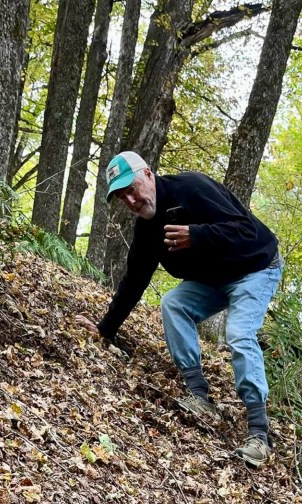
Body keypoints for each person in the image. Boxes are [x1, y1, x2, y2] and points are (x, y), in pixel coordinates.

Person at [76, 151, 283, 468]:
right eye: (122, 197)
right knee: (173, 303)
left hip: (256, 268)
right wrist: (105, 329)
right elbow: (134, 281)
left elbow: (247, 231)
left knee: (239, 333)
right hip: (214, 279)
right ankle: (198, 395)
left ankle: (259, 433)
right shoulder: (147, 230)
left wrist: (198, 235)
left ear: (148, 174)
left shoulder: (191, 188)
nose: (131, 201)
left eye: (132, 189)